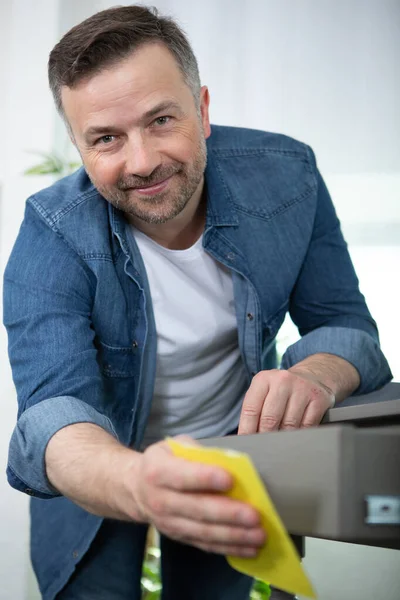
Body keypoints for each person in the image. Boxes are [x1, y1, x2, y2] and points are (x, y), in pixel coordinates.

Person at [4, 5, 392, 600]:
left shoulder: (289, 180)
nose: (142, 162)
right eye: (106, 138)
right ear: (80, 147)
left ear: (203, 110)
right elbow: (54, 414)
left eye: (161, 120)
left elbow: (346, 325)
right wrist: (142, 484)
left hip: (236, 458)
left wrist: (316, 374)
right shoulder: (50, 234)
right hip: (107, 476)